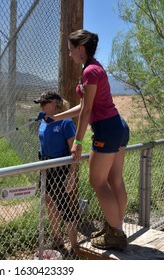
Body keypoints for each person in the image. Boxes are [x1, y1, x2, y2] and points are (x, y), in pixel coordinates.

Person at [51, 29, 130, 250]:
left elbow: (86, 112)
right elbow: (84, 107)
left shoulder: (90, 72)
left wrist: (78, 141)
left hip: (106, 129)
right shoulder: (94, 69)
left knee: (98, 182)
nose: (69, 54)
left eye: (70, 50)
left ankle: (116, 234)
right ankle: (116, 227)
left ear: (80, 48)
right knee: (115, 179)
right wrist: (57, 116)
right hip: (118, 126)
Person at [34, 91, 78, 253]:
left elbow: (74, 151)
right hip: (45, 167)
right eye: (40, 103)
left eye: (45, 103)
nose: (41, 106)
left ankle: (74, 248)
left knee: (64, 208)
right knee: (49, 202)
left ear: (56, 104)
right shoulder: (44, 121)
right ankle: (57, 239)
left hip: (60, 169)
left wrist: (71, 175)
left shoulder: (66, 122)